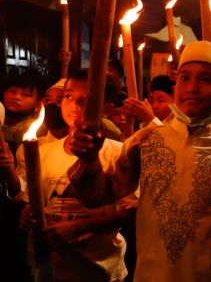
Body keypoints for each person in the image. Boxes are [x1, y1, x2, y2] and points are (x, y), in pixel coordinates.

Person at [66, 41, 211, 281]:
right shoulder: (147, 140)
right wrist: (89, 161)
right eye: (184, 78)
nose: (192, 88)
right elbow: (99, 196)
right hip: (152, 273)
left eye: (207, 80)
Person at [15, 69, 135, 281]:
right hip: (54, 269)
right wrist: (29, 213)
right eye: (68, 96)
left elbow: (131, 211)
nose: (75, 104)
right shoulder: (43, 152)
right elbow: (36, 202)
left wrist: (79, 226)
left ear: (106, 108)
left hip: (102, 270)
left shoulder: (118, 152)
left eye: (87, 98)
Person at [1, 70, 43, 155]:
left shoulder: (38, 130)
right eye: (12, 91)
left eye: (25, 94)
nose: (16, 97)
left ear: (37, 104)